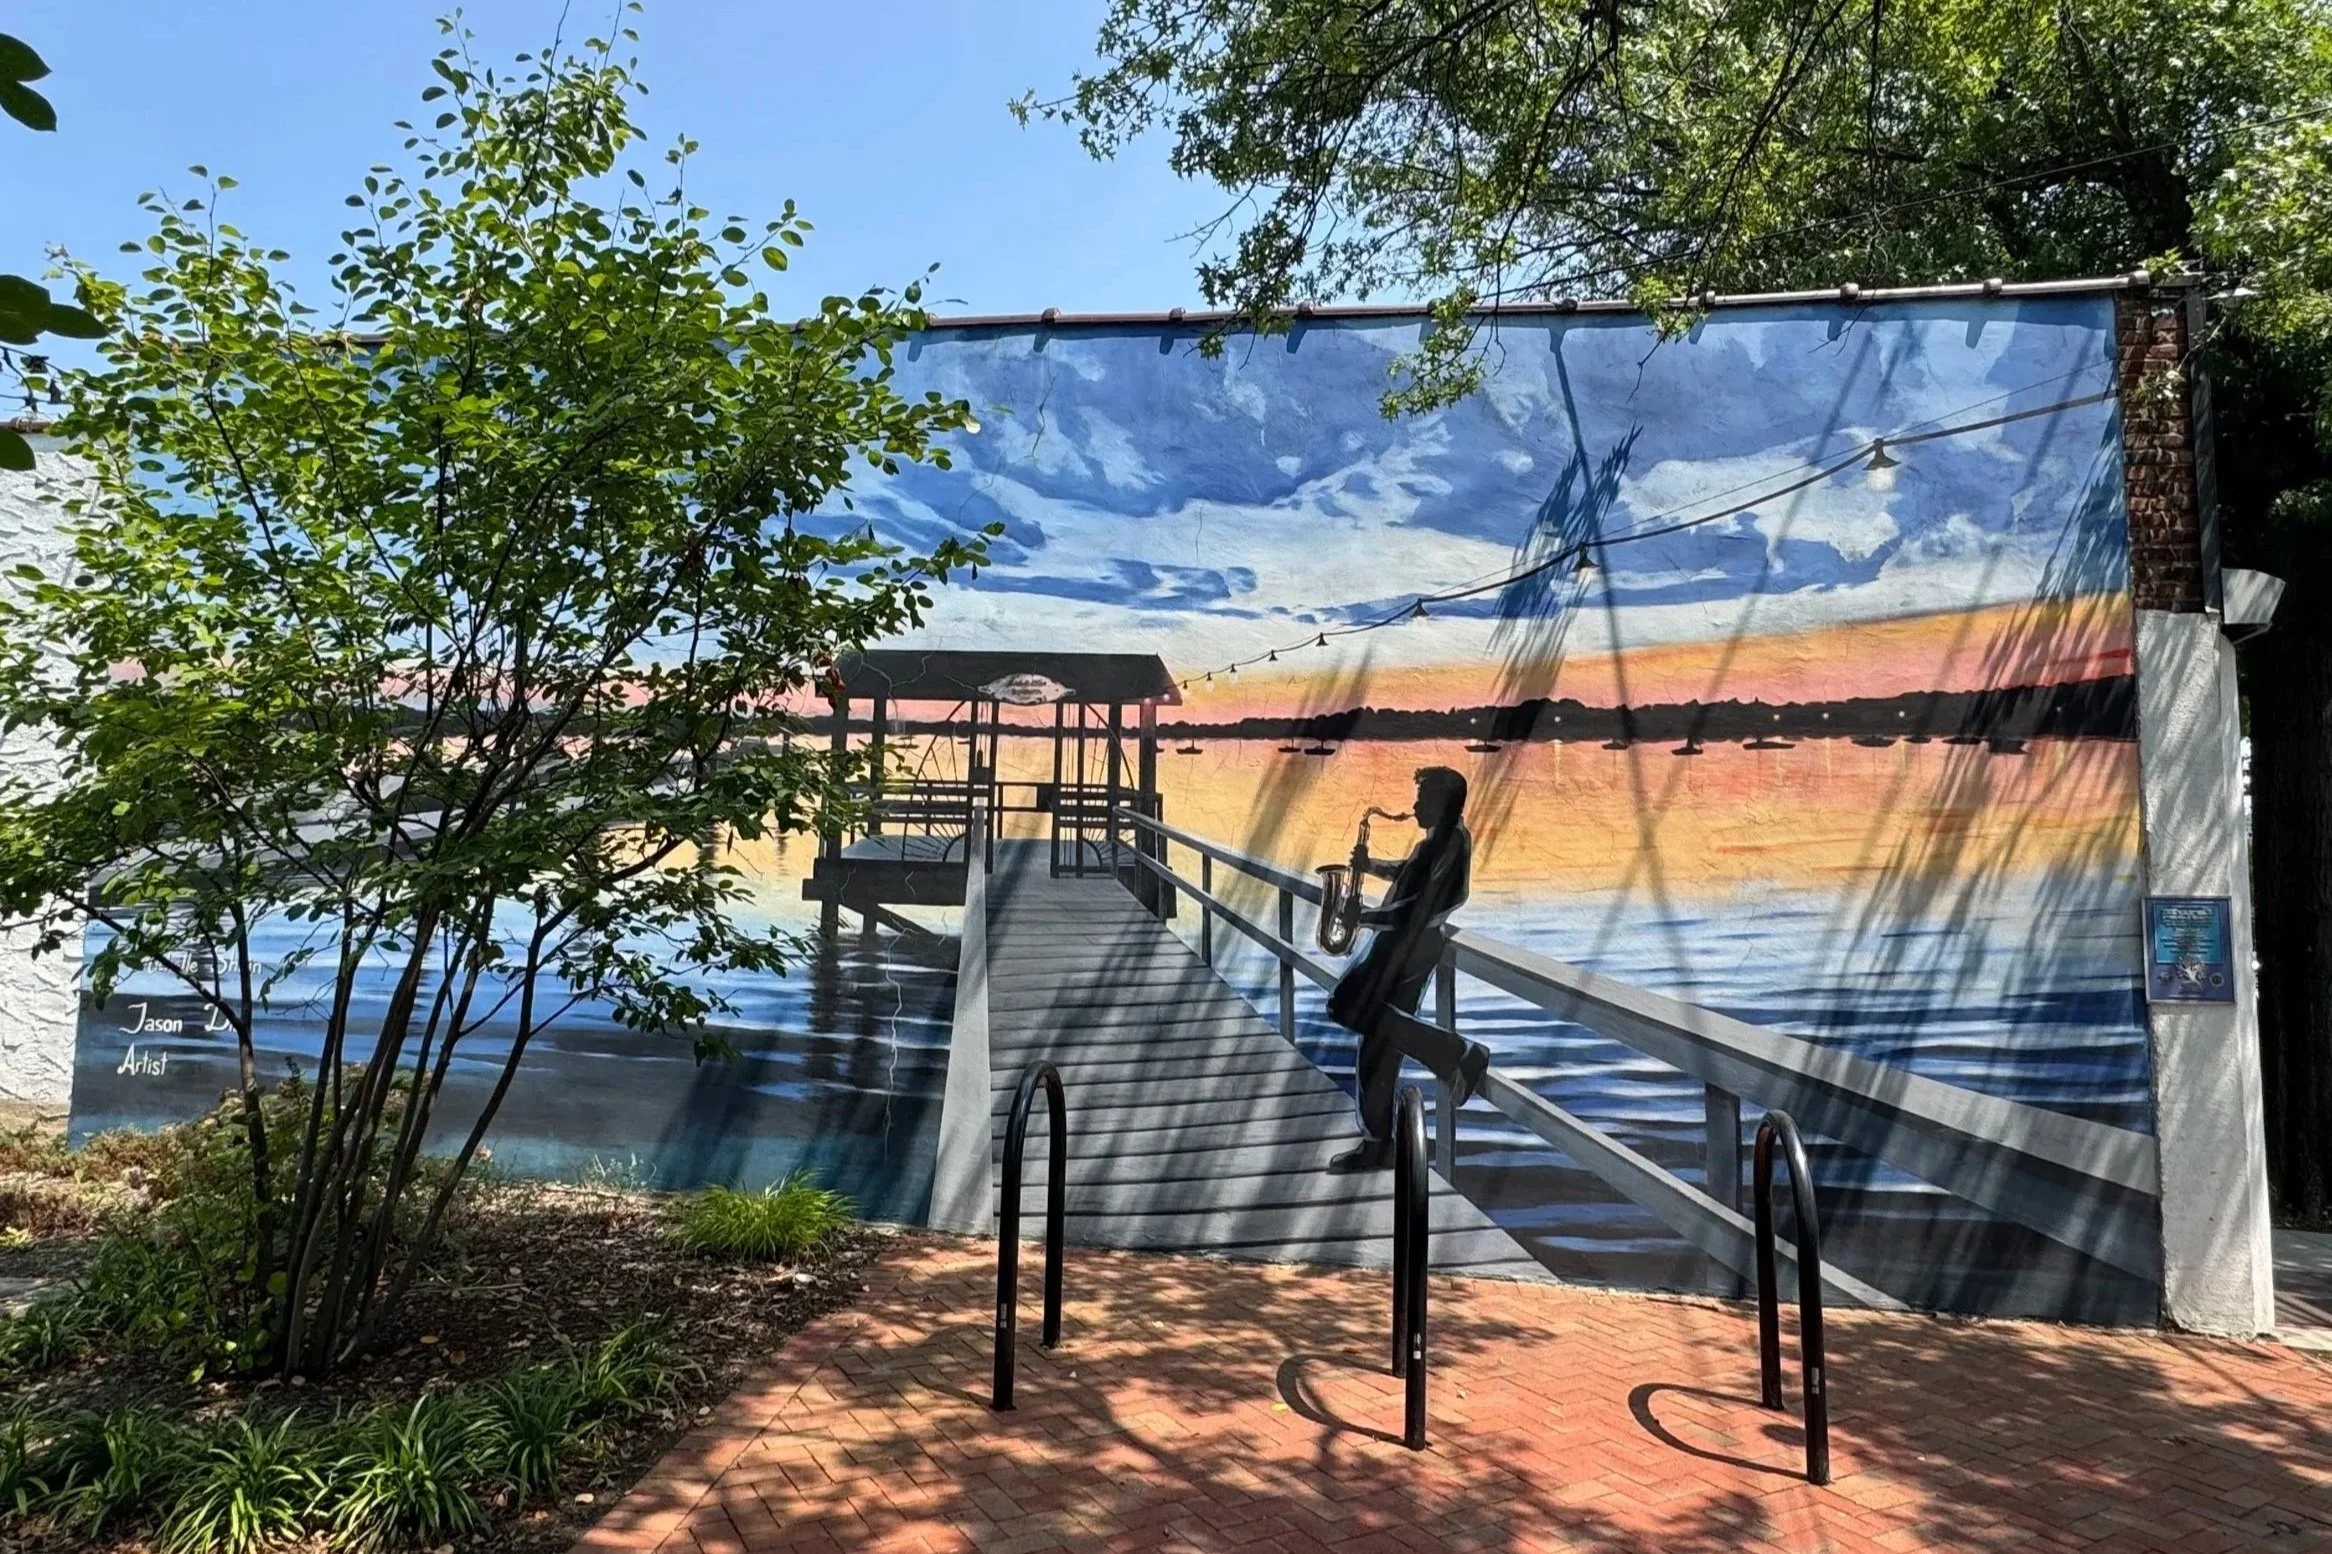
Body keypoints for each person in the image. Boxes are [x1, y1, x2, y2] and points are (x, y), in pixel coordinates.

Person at [1323, 765, 1492, 1173]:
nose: (1414, 807)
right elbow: (1410, 878)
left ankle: (1457, 1052)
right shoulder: (1440, 841)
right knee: (1378, 1047)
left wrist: (1363, 917)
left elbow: (1414, 912)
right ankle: (1378, 1142)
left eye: (1423, 800)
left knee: (1345, 1005)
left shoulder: (1449, 844)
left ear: (1442, 804)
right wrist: (1371, 866)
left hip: (1410, 948)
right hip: (1404, 947)